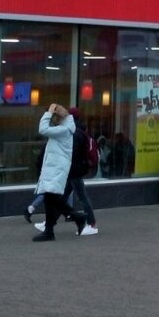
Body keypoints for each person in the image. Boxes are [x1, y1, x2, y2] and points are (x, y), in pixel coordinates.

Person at [32, 103, 87, 241]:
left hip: (56, 168)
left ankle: (76, 218)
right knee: (50, 199)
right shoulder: (65, 128)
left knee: (52, 199)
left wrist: (48, 113)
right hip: (55, 167)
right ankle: (51, 230)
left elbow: (43, 129)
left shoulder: (63, 130)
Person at [62, 107, 99, 236]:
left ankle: (91, 223)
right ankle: (49, 222)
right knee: (62, 197)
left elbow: (73, 152)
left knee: (82, 197)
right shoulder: (80, 130)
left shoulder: (75, 132)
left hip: (74, 170)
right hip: (75, 169)